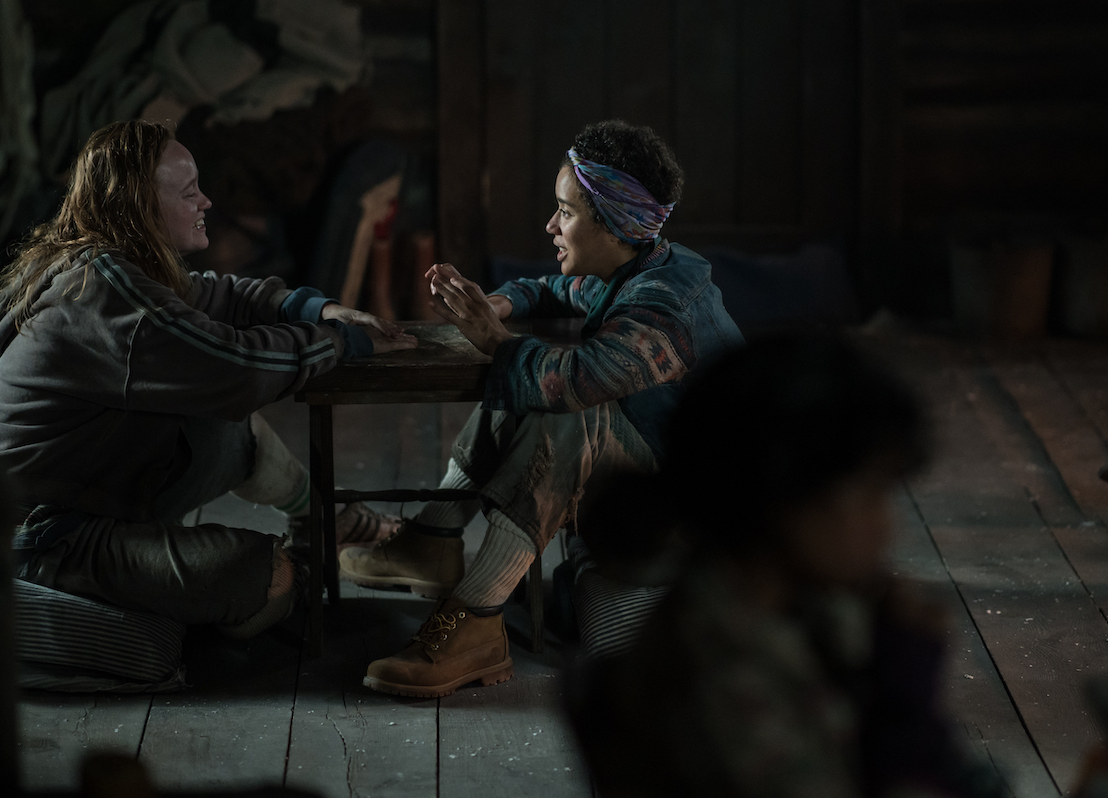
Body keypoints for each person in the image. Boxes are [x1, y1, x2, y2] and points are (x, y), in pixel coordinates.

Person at [337, 119, 744, 697]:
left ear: (617, 224)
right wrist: (498, 305)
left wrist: (494, 340)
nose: (550, 226)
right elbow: (552, 288)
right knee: (538, 381)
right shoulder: (638, 266)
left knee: (564, 406)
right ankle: (432, 541)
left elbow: (576, 382)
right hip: (652, 500)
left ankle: (471, 618)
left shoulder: (664, 309)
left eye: (567, 213)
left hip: (694, 528)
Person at [0, 119, 416, 637]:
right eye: (188, 192)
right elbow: (238, 369)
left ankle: (325, 520)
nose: (206, 202)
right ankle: (298, 568)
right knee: (265, 578)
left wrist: (318, 308)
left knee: (224, 429)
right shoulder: (106, 293)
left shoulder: (114, 264)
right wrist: (342, 341)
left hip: (84, 502)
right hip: (38, 535)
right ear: (137, 206)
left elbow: (219, 293)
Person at [568, 333, 1007, 798]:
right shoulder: (719, 677)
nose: (886, 527)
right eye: (869, 492)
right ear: (781, 492)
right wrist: (908, 713)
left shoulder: (792, 604)